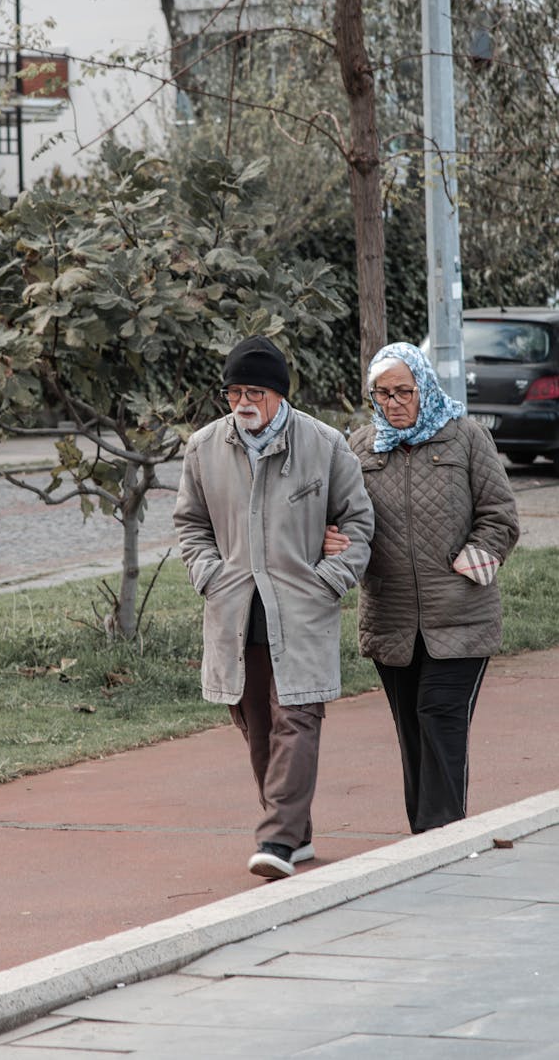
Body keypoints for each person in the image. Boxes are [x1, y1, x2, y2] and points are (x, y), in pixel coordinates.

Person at [173, 335, 374, 879]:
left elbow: (357, 523)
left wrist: (328, 579)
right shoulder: (203, 447)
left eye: (256, 392)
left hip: (301, 609)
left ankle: (278, 840)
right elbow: (190, 524)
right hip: (236, 610)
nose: (244, 402)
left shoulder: (326, 445)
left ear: (280, 396)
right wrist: (210, 575)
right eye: (235, 391)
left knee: (297, 717)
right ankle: (296, 832)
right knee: (255, 722)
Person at [336, 341, 519, 835]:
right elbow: (345, 518)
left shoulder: (465, 438)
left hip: (461, 612)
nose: (393, 402)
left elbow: (500, 517)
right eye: (382, 393)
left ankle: (443, 831)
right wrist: (334, 539)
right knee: (411, 730)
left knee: (438, 715)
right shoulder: (359, 447)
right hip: (391, 619)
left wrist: (477, 556)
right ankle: (425, 832)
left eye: (403, 391)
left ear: (424, 387)